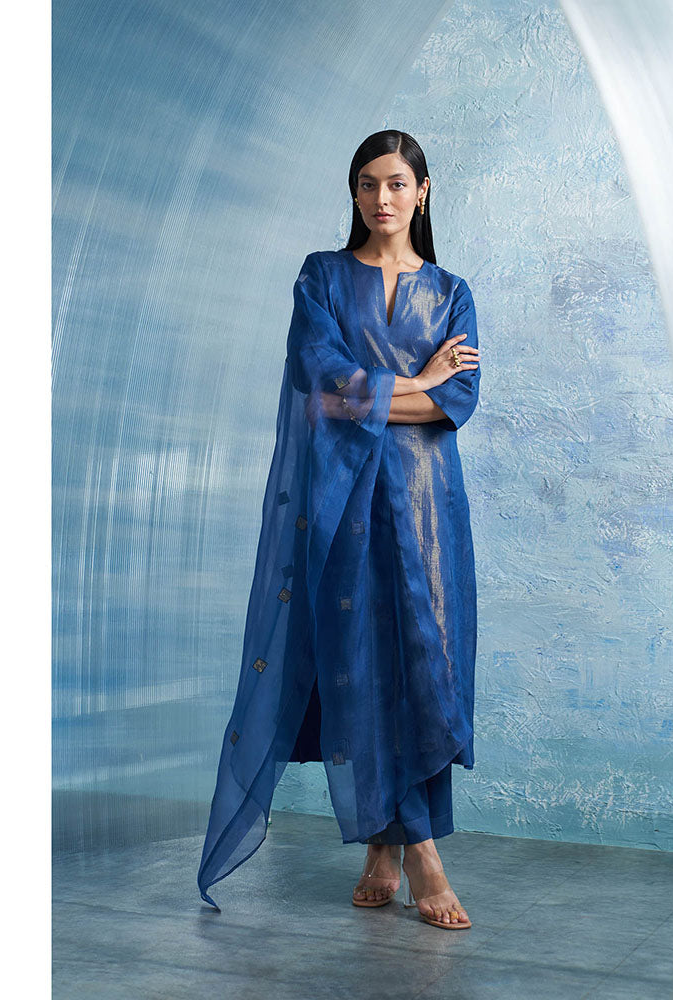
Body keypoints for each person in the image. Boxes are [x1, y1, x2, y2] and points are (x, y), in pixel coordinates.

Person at [197, 130, 481, 930]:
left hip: (427, 507)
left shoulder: (451, 292)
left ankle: (385, 846)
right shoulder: (321, 277)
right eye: (366, 184)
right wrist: (417, 380)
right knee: (360, 662)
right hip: (344, 503)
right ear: (354, 193)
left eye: (395, 183)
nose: (380, 198)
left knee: (425, 667)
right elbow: (318, 386)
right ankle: (419, 851)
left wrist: (384, 394)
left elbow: (455, 402)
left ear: (422, 190)